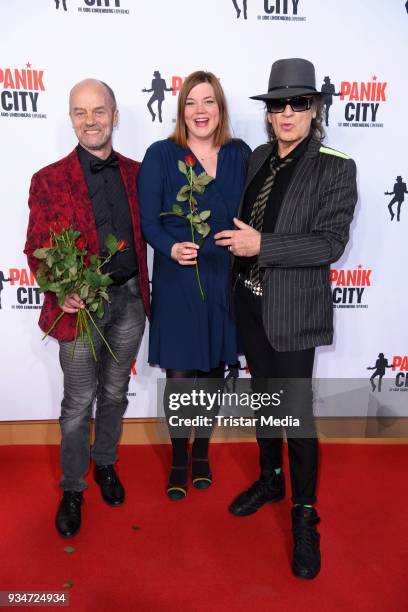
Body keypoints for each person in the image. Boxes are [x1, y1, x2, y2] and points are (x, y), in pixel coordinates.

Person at [215, 58, 358, 579]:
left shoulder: (336, 166)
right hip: (250, 305)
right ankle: (271, 479)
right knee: (265, 404)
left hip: (294, 312)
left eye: (299, 103)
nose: (288, 113)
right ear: (269, 113)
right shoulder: (257, 158)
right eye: (278, 104)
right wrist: (239, 245)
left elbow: (330, 243)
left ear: (314, 108)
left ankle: (304, 514)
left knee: (295, 417)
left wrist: (263, 245)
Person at [24, 79, 150, 537]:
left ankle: (106, 464)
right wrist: (61, 290)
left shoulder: (140, 174)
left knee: (115, 394)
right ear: (71, 117)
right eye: (80, 112)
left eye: (99, 111)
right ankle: (73, 487)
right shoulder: (48, 179)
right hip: (77, 308)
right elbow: (36, 246)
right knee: (78, 403)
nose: (90, 120)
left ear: (115, 116)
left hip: (131, 300)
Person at [138, 71, 251, 500]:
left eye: (209, 102)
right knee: (182, 376)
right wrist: (169, 249)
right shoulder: (161, 154)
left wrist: (249, 238)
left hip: (224, 276)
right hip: (178, 277)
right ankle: (180, 457)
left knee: (211, 372)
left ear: (220, 109)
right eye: (191, 103)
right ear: (180, 109)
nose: (200, 111)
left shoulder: (241, 154)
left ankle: (202, 451)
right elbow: (149, 221)